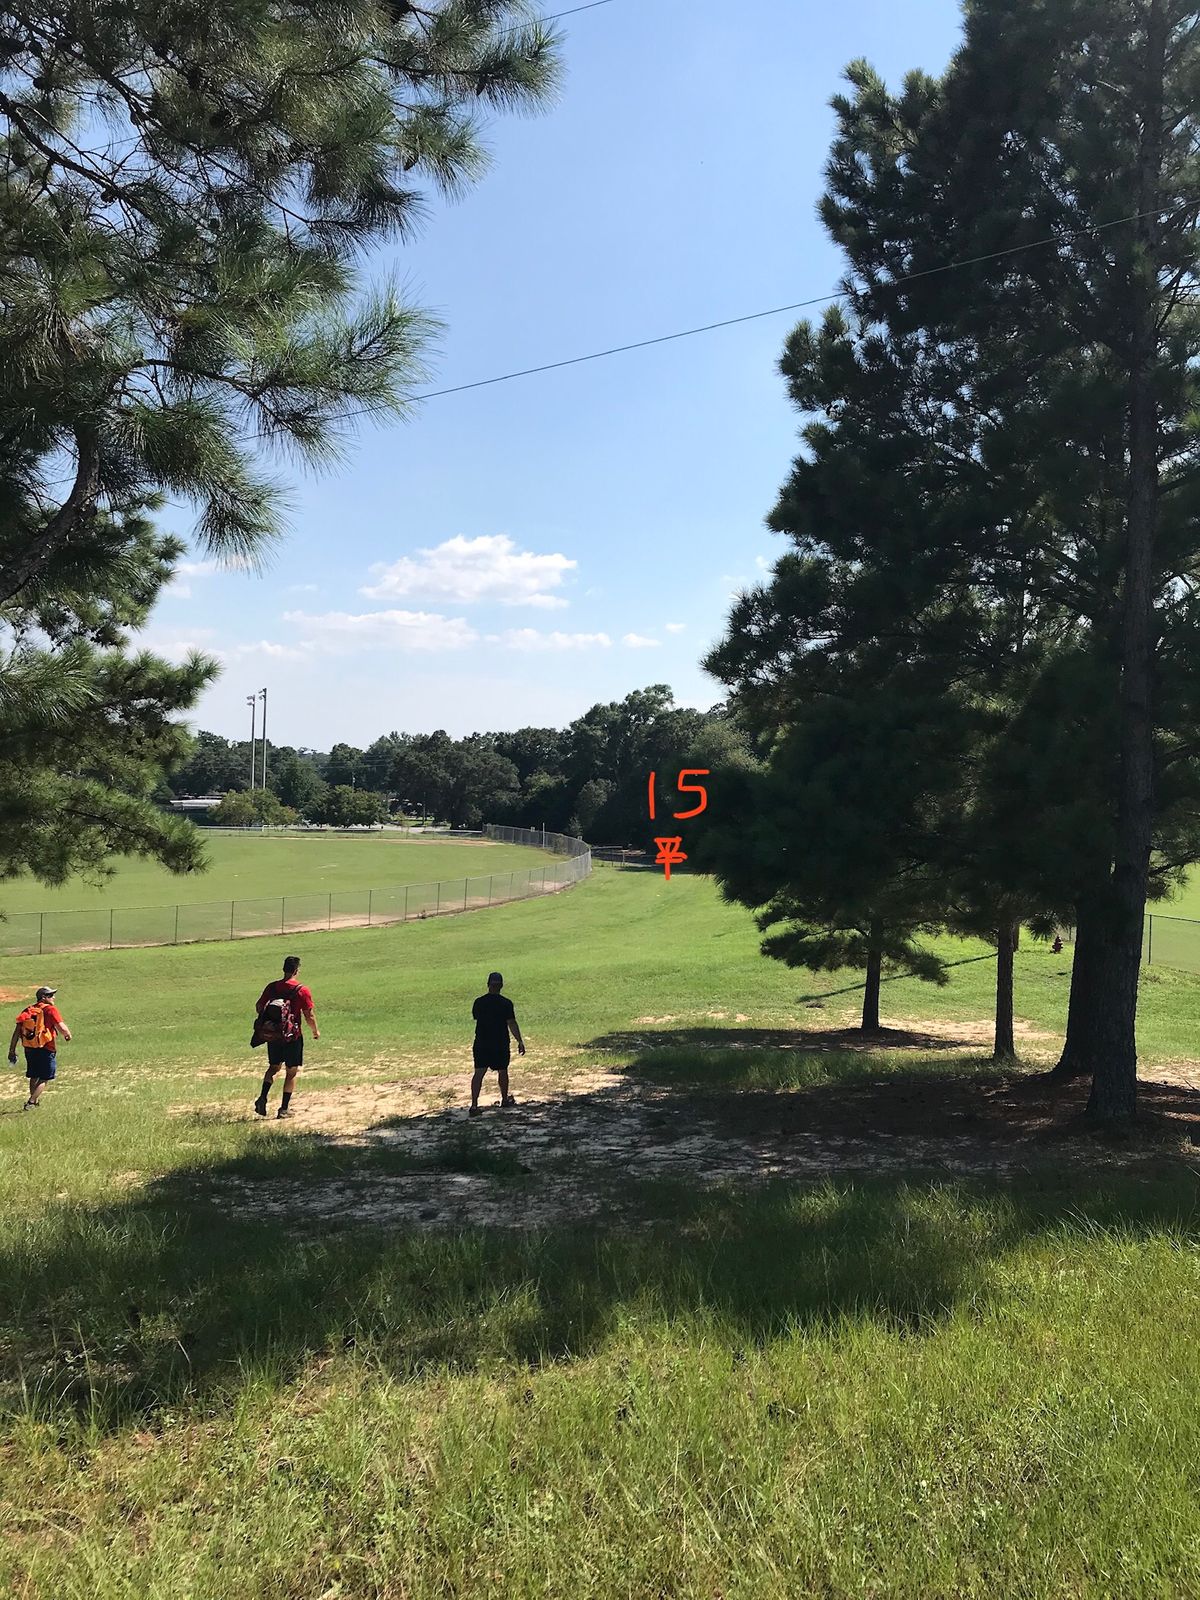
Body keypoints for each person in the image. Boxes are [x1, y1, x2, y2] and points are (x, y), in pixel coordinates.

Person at [253, 955, 319, 1120]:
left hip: (274, 1035)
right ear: (297, 970)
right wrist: (315, 1031)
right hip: (292, 1036)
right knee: (291, 1072)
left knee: (273, 1067)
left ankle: (262, 1097)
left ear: (284, 969)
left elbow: (259, 1006)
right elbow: (309, 1015)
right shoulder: (302, 990)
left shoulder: (272, 987)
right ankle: (284, 1109)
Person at [469, 970, 524, 1117]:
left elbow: (476, 1017)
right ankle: (504, 1099)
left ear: (488, 985)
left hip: (481, 1042)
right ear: (501, 986)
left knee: (479, 1072)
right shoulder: (506, 1003)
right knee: (503, 1070)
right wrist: (520, 1041)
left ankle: (474, 1105)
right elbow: (511, 1023)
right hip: (500, 1042)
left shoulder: (479, 1002)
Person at [7, 986, 71, 1110]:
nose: (54, 997)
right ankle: (31, 1102)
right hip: (46, 1047)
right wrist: (67, 1035)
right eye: (51, 995)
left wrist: (12, 1050)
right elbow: (61, 1026)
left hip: (30, 1048)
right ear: (44, 997)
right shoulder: (50, 1010)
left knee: (34, 1075)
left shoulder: (28, 1010)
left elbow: (17, 1032)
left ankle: (34, 1101)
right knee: (45, 1077)